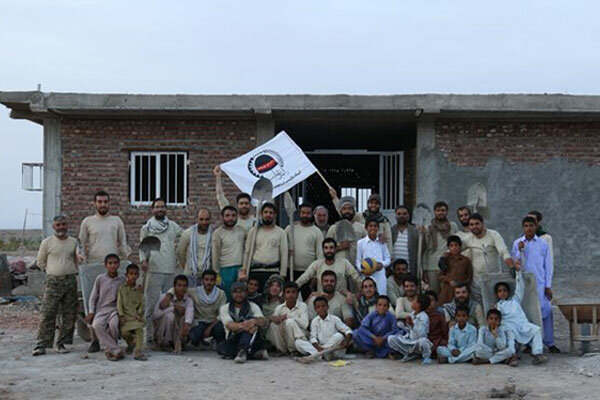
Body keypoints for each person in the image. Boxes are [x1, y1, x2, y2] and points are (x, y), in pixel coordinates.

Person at [79, 190, 131, 353]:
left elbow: (123, 243)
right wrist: (81, 258)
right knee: (92, 304)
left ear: (109, 203)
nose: (103, 205)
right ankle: (95, 340)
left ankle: (112, 340)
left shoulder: (116, 221)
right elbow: (81, 244)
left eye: (105, 202)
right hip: (94, 267)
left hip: (114, 268)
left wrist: (126, 258)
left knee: (114, 305)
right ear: (94, 204)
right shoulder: (87, 222)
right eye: (100, 202)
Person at [33, 216, 79, 356]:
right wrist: (52, 271)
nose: (61, 227)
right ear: (54, 226)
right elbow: (40, 262)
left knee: (69, 314)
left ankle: (62, 344)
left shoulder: (73, 242)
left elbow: (77, 259)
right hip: (53, 282)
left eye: (63, 224)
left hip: (70, 281)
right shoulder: (47, 242)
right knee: (47, 313)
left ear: (67, 225)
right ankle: (41, 345)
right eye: (58, 225)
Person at [512, 216, 559, 353]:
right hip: (525, 285)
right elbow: (515, 264)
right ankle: (529, 343)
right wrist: (519, 251)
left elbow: (548, 266)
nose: (529, 228)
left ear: (536, 226)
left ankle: (549, 342)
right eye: (526, 226)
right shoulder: (517, 243)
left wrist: (548, 285)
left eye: (531, 225)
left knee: (546, 311)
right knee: (528, 313)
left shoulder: (542, 244)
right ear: (523, 228)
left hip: (540, 284)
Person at [139, 197, 182, 346]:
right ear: (152, 209)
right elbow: (142, 248)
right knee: (151, 307)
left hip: (170, 271)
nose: (160, 209)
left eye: (162, 206)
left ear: (166, 209)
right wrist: (143, 261)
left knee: (168, 306)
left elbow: (184, 238)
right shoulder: (147, 228)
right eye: (157, 207)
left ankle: (165, 338)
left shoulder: (173, 226)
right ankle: (149, 338)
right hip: (154, 271)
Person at [493, 269, 547, 365]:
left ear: (508, 292)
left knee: (536, 330)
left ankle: (537, 354)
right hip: (509, 326)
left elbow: (520, 287)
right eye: (500, 291)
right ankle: (512, 357)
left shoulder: (515, 300)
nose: (502, 293)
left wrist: (518, 272)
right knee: (510, 336)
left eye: (504, 290)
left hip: (522, 324)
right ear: (497, 294)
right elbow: (496, 318)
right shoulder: (498, 305)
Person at [461, 213, 514, 304]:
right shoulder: (469, 239)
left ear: (483, 224)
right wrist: (444, 257)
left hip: (493, 280)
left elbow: (503, 251)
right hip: (477, 282)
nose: (474, 227)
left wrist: (511, 266)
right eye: (472, 225)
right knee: (480, 308)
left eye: (477, 224)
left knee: (494, 309)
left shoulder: (493, 235)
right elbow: (454, 249)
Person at [84, 253, 125, 361]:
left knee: (113, 325)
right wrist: (91, 312)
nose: (113, 265)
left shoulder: (122, 279)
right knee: (96, 325)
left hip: (115, 309)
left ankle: (111, 350)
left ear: (119, 265)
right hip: (101, 309)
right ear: (106, 265)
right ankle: (115, 349)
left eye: (115, 263)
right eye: (110, 263)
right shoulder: (100, 279)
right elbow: (92, 298)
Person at [217, 281, 269, 363]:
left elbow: (262, 321)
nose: (238, 295)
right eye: (235, 292)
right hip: (234, 337)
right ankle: (254, 353)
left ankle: (242, 351)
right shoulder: (225, 308)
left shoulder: (252, 306)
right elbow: (229, 325)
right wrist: (246, 325)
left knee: (253, 321)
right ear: (231, 293)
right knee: (221, 348)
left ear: (246, 293)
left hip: (252, 338)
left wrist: (254, 321)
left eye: (241, 291)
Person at [329, 190, 393, 255]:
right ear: (368, 204)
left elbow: (389, 240)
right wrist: (334, 197)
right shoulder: (361, 216)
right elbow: (346, 213)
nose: (373, 205)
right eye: (371, 203)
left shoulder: (384, 221)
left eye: (376, 203)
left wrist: (389, 257)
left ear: (379, 205)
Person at [242, 202, 288, 289]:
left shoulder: (281, 232)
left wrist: (282, 275)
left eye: (271, 213)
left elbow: (284, 254)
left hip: (273, 271)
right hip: (255, 271)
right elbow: (247, 252)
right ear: (261, 214)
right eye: (265, 212)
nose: (268, 215)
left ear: (275, 215)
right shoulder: (253, 231)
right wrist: (245, 270)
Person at [295, 238, 362, 297]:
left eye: (331, 247)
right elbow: (303, 278)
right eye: (326, 248)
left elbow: (356, 278)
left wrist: (359, 293)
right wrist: (293, 288)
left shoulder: (344, 263)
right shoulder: (317, 264)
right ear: (323, 250)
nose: (329, 250)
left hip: (341, 300)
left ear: (335, 249)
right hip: (322, 301)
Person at [285, 202, 324, 297]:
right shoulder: (290, 228)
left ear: (312, 214)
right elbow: (282, 247)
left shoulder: (317, 232)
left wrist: (315, 276)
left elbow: (320, 255)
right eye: (303, 213)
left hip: (309, 273)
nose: (305, 215)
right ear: (299, 213)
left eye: (308, 213)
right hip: (290, 271)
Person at [420, 201, 458, 294]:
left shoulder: (452, 226)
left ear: (447, 212)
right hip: (432, 265)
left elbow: (455, 243)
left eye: (443, 210)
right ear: (434, 212)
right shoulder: (428, 227)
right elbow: (425, 249)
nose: (440, 212)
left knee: (447, 292)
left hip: (447, 264)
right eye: (438, 210)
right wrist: (424, 269)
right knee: (434, 293)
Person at [212, 205, 246, 301]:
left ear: (237, 216)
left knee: (240, 296)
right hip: (225, 270)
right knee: (226, 297)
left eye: (233, 215)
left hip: (240, 269)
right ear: (222, 217)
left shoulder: (241, 231)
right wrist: (217, 274)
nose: (230, 218)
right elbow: (215, 255)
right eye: (227, 215)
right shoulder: (218, 233)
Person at [153, 275, 194, 354]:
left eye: (184, 286)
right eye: (179, 285)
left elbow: (190, 313)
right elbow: (155, 315)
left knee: (187, 319)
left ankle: (179, 343)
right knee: (170, 316)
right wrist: (172, 308)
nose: (182, 288)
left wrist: (186, 325)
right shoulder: (164, 298)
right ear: (174, 286)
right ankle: (166, 343)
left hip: (178, 332)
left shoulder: (188, 300)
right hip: (162, 332)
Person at [387, 294, 433, 364]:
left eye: (414, 300)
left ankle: (426, 357)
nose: (412, 302)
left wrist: (412, 325)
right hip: (410, 341)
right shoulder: (412, 314)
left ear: (419, 304)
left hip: (418, 342)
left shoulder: (424, 317)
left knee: (423, 341)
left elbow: (422, 334)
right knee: (391, 339)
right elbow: (409, 331)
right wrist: (403, 325)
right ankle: (410, 354)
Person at [186, 270, 227, 347]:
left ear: (215, 281)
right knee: (195, 335)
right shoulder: (195, 291)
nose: (209, 282)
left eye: (212, 280)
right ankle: (199, 341)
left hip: (214, 322)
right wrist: (169, 295)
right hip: (200, 321)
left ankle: (218, 343)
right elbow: (179, 290)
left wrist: (210, 327)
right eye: (206, 279)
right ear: (202, 281)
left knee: (220, 329)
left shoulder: (221, 294)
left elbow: (222, 314)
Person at [267, 282, 310, 355]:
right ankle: (281, 350)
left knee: (289, 322)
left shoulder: (303, 306)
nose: (290, 295)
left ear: (297, 295)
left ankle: (293, 350)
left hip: (299, 335)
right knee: (273, 325)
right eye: (288, 292)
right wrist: (275, 319)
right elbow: (275, 320)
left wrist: (289, 316)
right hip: (285, 336)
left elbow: (305, 325)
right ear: (283, 295)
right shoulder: (279, 308)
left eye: (293, 292)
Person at [117, 263, 146, 361]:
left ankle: (138, 351)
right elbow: (119, 304)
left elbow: (142, 304)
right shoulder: (122, 289)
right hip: (126, 317)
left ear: (138, 275)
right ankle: (131, 343)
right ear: (126, 275)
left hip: (136, 317)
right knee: (124, 332)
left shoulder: (139, 290)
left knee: (139, 329)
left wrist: (139, 313)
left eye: (135, 274)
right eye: (131, 274)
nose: (133, 276)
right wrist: (121, 316)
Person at [178, 208, 213, 288]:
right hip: (190, 274)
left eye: (207, 219)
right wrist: (188, 266)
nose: (204, 222)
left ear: (210, 220)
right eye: (201, 219)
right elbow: (180, 253)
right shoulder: (187, 234)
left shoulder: (213, 234)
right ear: (197, 219)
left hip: (207, 276)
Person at [214, 165, 256, 232]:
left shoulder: (255, 221)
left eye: (246, 203)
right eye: (241, 203)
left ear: (250, 205)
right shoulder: (232, 219)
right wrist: (218, 177)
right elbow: (220, 196)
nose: (244, 206)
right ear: (237, 205)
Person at [326, 197, 365, 266]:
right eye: (344, 209)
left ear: (354, 211)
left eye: (350, 209)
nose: (347, 211)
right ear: (340, 211)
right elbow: (326, 250)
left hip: (358, 266)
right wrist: (339, 247)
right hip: (338, 267)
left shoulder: (362, 228)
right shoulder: (333, 228)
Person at [356, 218, 391, 295]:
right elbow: (358, 260)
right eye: (370, 226)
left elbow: (388, 258)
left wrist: (382, 264)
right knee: (368, 296)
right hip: (367, 275)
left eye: (375, 226)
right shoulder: (360, 243)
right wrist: (362, 269)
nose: (373, 228)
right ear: (366, 228)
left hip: (380, 274)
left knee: (381, 295)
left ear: (378, 228)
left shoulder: (382, 242)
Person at [438, 235, 473, 304]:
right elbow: (440, 276)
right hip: (447, 289)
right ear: (448, 247)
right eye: (451, 246)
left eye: (456, 245)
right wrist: (449, 280)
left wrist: (461, 283)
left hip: (461, 290)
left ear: (460, 246)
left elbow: (469, 277)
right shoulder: (445, 260)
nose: (454, 248)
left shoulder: (465, 260)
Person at [391, 206, 419, 273]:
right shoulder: (390, 230)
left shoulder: (415, 231)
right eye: (399, 214)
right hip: (393, 271)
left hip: (409, 270)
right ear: (395, 215)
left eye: (404, 214)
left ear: (409, 215)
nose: (402, 216)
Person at [425, 290, 448, 358]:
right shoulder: (421, 314)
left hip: (437, 340)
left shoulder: (440, 315)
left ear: (436, 302)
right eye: (427, 300)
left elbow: (445, 331)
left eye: (432, 300)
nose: (429, 303)